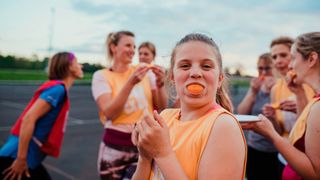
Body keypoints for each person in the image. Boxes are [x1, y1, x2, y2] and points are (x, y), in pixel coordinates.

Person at [132, 33, 247, 180]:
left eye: (206, 66)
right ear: (172, 77)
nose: (195, 73)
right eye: (185, 66)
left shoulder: (223, 126)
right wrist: (145, 155)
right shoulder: (165, 117)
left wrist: (162, 153)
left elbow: (163, 154)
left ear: (219, 79)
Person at [242, 32, 320, 180]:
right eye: (274, 57)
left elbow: (315, 173)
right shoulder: (286, 88)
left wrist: (271, 134)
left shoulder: (317, 104)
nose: (290, 64)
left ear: (311, 59)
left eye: (293, 57)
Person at [92, 31, 167, 179]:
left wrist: (160, 83)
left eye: (134, 46)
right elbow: (110, 113)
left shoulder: (143, 71)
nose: (133, 50)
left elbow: (161, 106)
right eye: (128, 45)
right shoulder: (101, 76)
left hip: (144, 144)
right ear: (114, 47)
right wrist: (130, 83)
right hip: (115, 146)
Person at [0, 52, 83, 180]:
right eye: (77, 62)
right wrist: (21, 159)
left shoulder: (59, 89)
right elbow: (28, 119)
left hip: (28, 160)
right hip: (15, 159)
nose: (81, 65)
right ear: (69, 67)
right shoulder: (58, 90)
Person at [237, 53, 281, 180]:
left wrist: (274, 89)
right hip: (254, 146)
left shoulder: (280, 88)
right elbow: (241, 112)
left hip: (275, 149)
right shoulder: (257, 88)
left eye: (267, 68)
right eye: (260, 68)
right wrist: (252, 91)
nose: (263, 72)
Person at [138, 41, 168, 111]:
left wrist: (158, 82)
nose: (142, 56)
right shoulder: (133, 72)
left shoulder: (155, 74)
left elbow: (160, 106)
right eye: (140, 54)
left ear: (153, 56)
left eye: (146, 54)